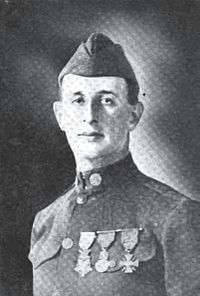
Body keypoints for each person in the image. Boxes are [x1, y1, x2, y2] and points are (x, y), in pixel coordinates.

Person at [28, 33, 200, 296]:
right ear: (61, 116)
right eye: (78, 100)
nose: (90, 116)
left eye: (107, 100)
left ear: (133, 115)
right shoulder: (46, 221)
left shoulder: (174, 215)